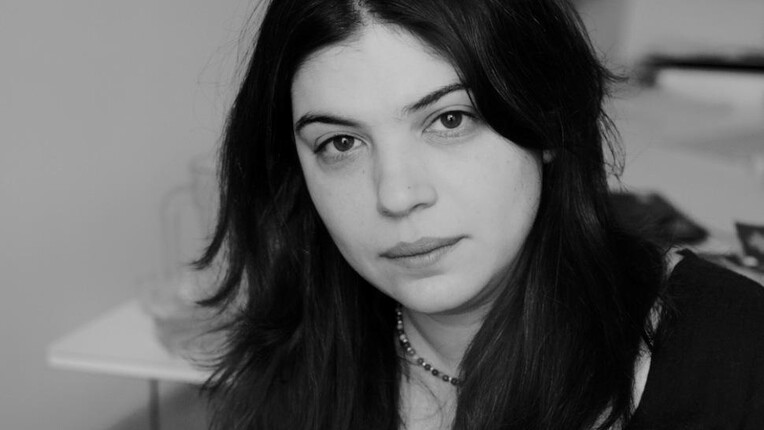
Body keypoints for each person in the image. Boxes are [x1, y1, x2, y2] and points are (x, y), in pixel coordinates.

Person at [195, 0, 764, 429]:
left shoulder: (739, 357)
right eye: (341, 143)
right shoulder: (286, 380)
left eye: (449, 120)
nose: (397, 195)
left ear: (545, 120)